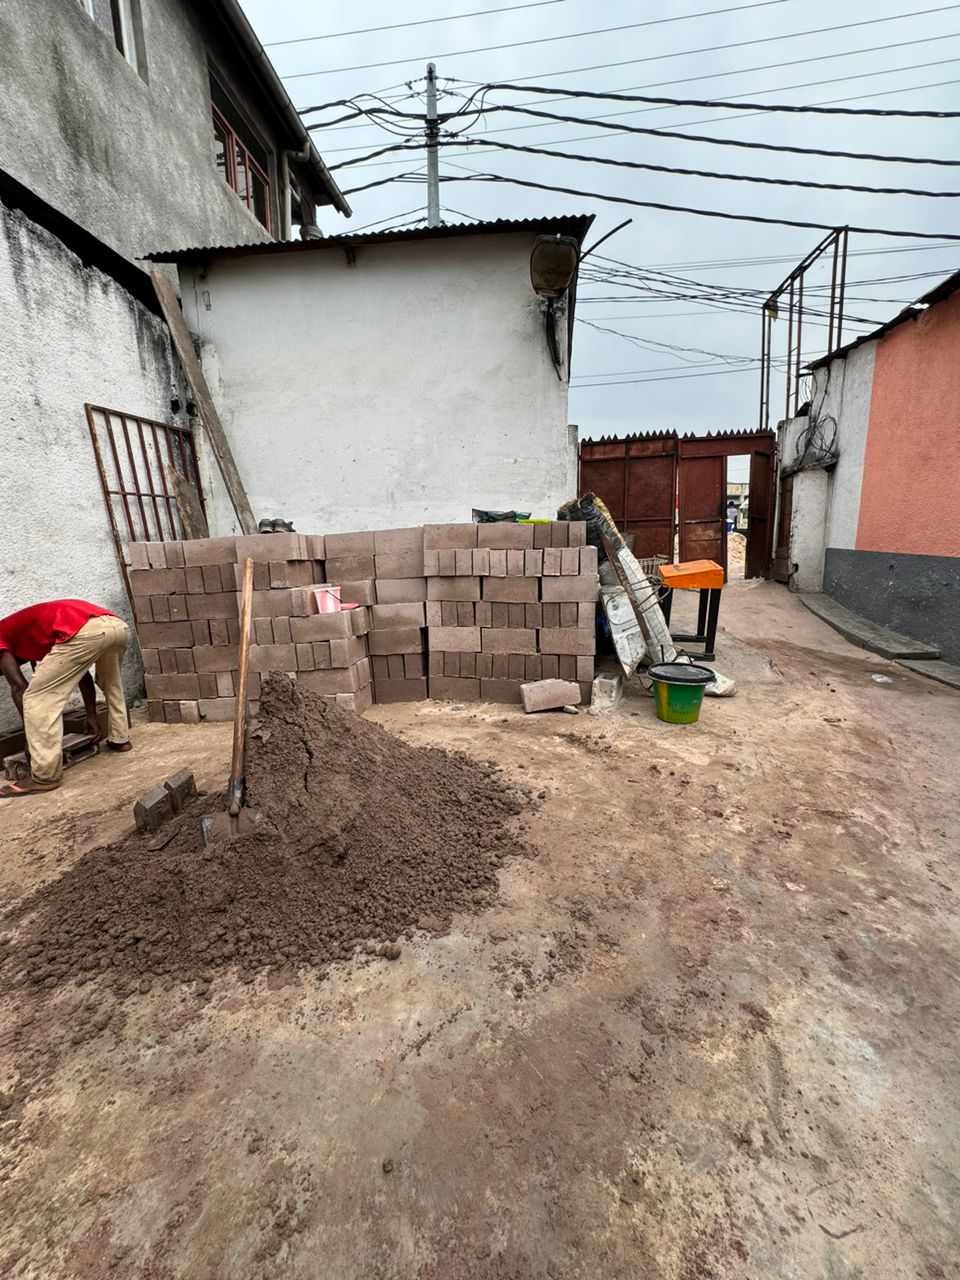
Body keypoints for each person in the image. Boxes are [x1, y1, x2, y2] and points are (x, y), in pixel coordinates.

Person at [0, 600, 132, 798]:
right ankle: (121, 739)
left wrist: (32, 741)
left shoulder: (1, 638)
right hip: (116, 625)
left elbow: (19, 688)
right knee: (112, 684)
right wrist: (92, 717)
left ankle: (44, 777)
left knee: (36, 698)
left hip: (86, 631)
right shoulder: (33, 638)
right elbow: (81, 675)